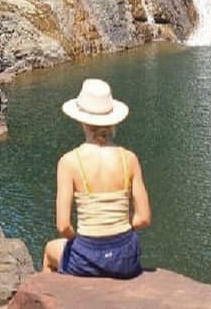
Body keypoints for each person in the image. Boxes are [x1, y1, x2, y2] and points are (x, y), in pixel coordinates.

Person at [42, 78, 151, 278]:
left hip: (87, 255)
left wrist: (82, 243)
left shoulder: (69, 162)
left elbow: (63, 225)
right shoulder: (129, 159)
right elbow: (143, 218)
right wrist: (120, 226)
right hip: (125, 256)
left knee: (50, 251)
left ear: (82, 121)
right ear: (112, 122)